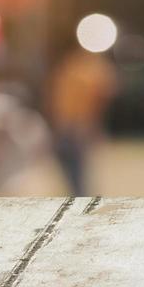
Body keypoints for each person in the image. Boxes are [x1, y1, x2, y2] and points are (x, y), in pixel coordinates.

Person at [48, 47, 118, 195]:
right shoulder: (82, 70)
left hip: (74, 127)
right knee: (75, 178)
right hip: (71, 127)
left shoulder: (78, 70)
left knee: (77, 180)